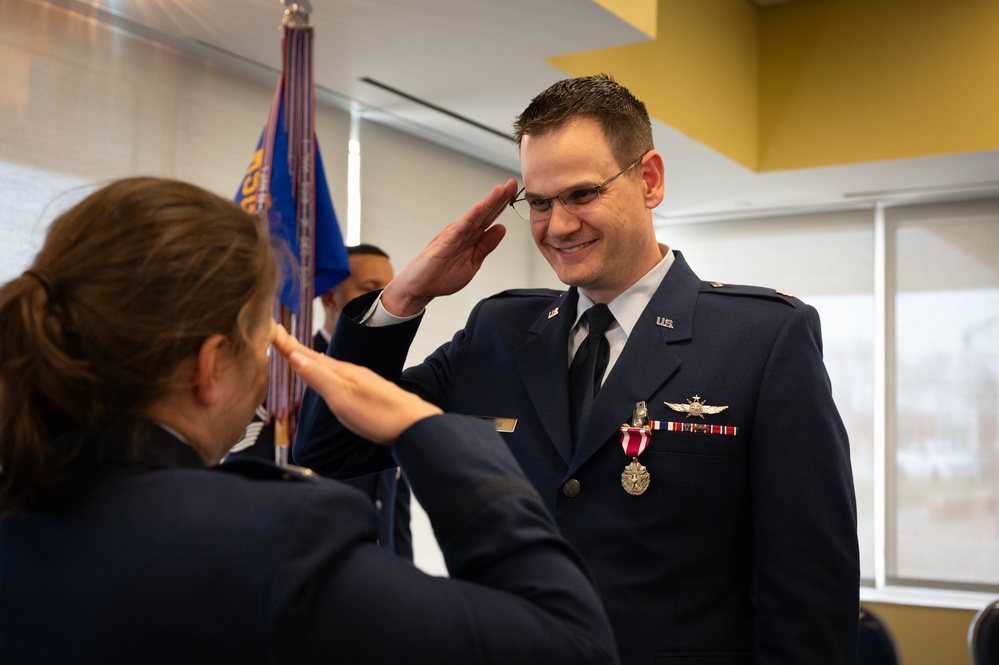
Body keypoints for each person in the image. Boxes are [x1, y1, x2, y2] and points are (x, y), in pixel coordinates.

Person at [293, 74, 861, 664]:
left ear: (650, 180)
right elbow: (332, 451)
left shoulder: (762, 338)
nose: (558, 225)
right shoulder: (500, 331)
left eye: (582, 194)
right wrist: (404, 298)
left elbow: (810, 588)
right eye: (539, 202)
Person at [0, 177, 619, 664]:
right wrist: (431, 431)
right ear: (211, 368)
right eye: (259, 334)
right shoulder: (267, 543)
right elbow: (572, 646)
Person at [228, 243, 413, 559]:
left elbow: (391, 503)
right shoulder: (285, 378)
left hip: (373, 579)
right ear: (329, 298)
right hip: (305, 570)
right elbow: (244, 478)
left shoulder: (391, 383)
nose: (385, 299)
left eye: (390, 289)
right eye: (370, 289)